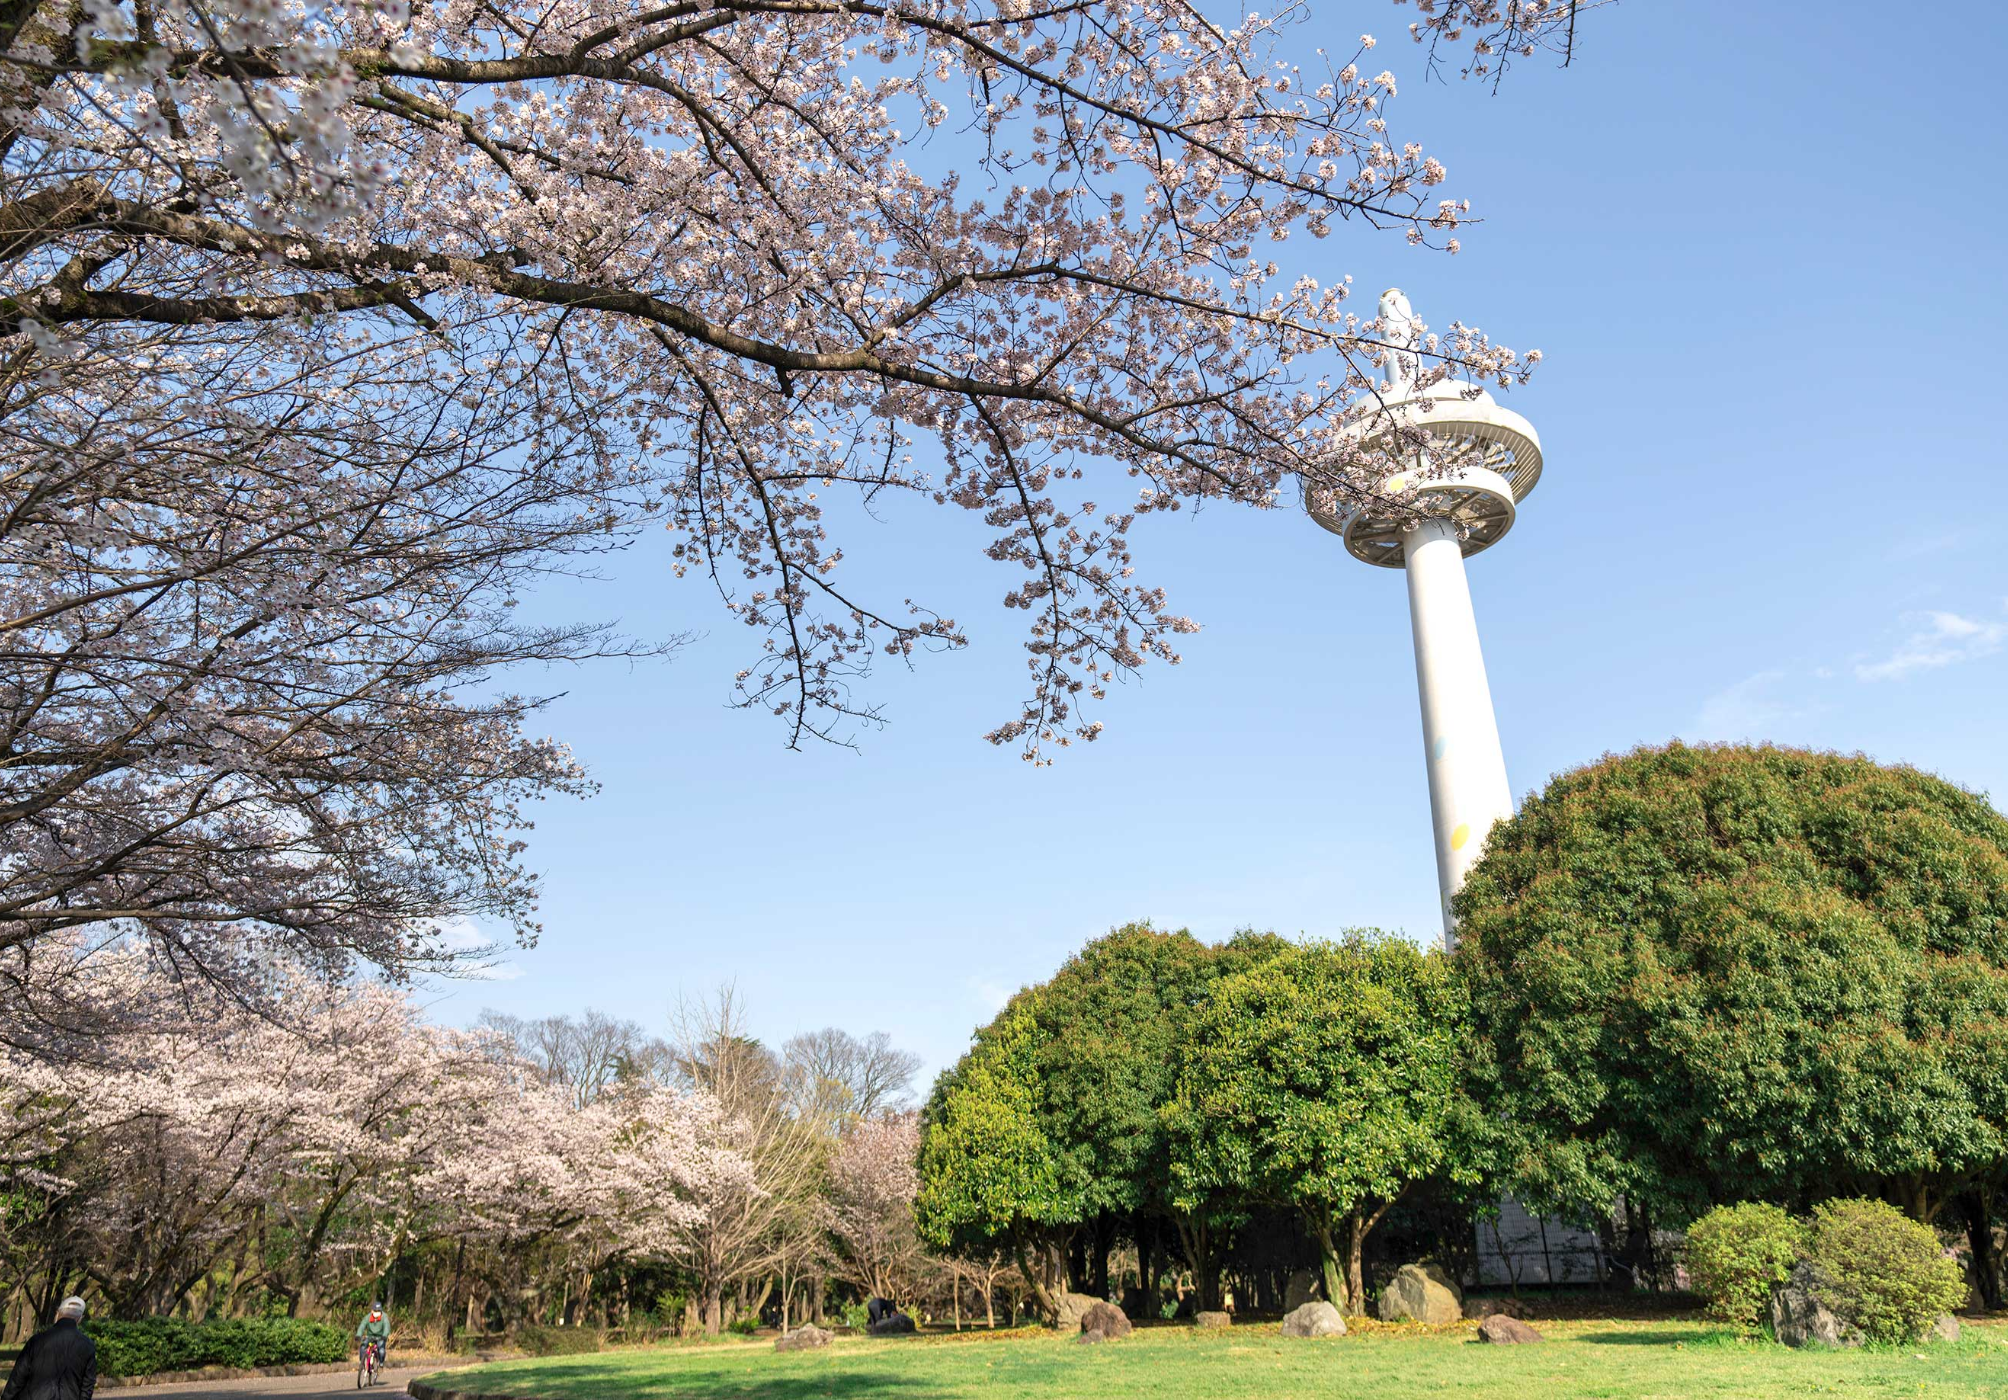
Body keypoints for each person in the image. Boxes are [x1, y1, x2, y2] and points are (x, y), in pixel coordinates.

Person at [1, 1296, 96, 1400]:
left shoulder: (37, 1340)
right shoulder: (87, 1345)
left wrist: (6, 1397)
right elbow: (87, 1385)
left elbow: (18, 1375)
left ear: (58, 1313)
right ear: (79, 1319)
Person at [354, 1302, 391, 1374]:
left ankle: (381, 1364)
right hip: (370, 1336)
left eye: (378, 1311)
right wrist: (358, 1335)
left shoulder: (384, 1318)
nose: (376, 1313)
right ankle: (362, 1363)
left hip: (380, 1337)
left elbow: (386, 1327)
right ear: (372, 1311)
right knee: (363, 1346)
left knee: (381, 1350)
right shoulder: (367, 1317)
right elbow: (362, 1326)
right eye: (375, 1311)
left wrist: (384, 1336)